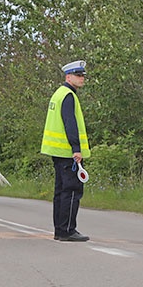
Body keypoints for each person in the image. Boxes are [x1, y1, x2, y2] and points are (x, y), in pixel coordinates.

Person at [40, 60, 91, 242]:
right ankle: (67, 230)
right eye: (78, 75)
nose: (82, 79)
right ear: (68, 76)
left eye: (83, 76)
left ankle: (60, 229)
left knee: (61, 192)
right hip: (68, 153)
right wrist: (76, 149)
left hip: (58, 152)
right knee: (71, 191)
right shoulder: (68, 95)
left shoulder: (58, 94)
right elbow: (71, 124)